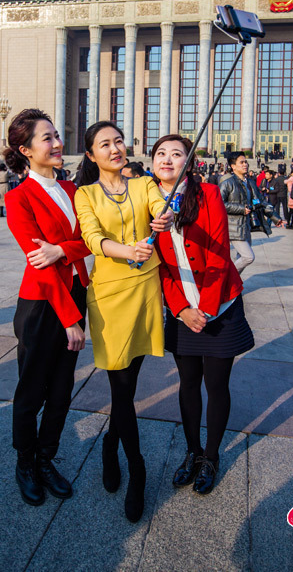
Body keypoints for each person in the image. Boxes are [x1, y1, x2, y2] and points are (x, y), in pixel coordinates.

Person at [74, 121, 173, 523]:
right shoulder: (85, 194)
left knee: (127, 386)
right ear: (91, 155)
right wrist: (126, 251)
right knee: (121, 387)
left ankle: (111, 444)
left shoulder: (145, 184)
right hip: (110, 296)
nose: (115, 148)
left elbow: (161, 209)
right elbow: (92, 238)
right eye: (105, 144)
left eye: (119, 141)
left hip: (146, 290)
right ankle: (138, 470)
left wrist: (165, 218)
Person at [151, 136, 254, 495]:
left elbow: (221, 252)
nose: (167, 159)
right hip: (182, 310)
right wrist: (181, 308)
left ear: (189, 163)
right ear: (152, 163)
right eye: (160, 153)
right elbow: (159, 266)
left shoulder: (207, 194)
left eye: (176, 154)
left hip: (218, 306)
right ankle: (192, 452)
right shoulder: (149, 202)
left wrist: (205, 310)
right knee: (188, 383)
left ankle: (211, 456)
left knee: (216, 384)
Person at [4, 109, 90, 507]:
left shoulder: (75, 190)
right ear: (26, 150)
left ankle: (45, 458)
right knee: (31, 392)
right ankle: (25, 463)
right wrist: (70, 319)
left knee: (61, 391)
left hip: (74, 294)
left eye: (56, 135)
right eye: (47, 139)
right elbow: (37, 262)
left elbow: (91, 241)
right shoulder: (18, 198)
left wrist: (62, 249)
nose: (57, 144)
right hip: (41, 305)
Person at [219, 151, 283, 275]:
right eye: (241, 162)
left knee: (240, 258)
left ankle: (234, 288)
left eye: (246, 162)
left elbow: (261, 202)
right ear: (233, 166)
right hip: (233, 227)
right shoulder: (228, 183)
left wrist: (275, 218)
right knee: (248, 257)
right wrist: (241, 208)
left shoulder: (250, 183)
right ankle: (226, 277)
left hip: (246, 225)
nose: (245, 165)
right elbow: (220, 203)